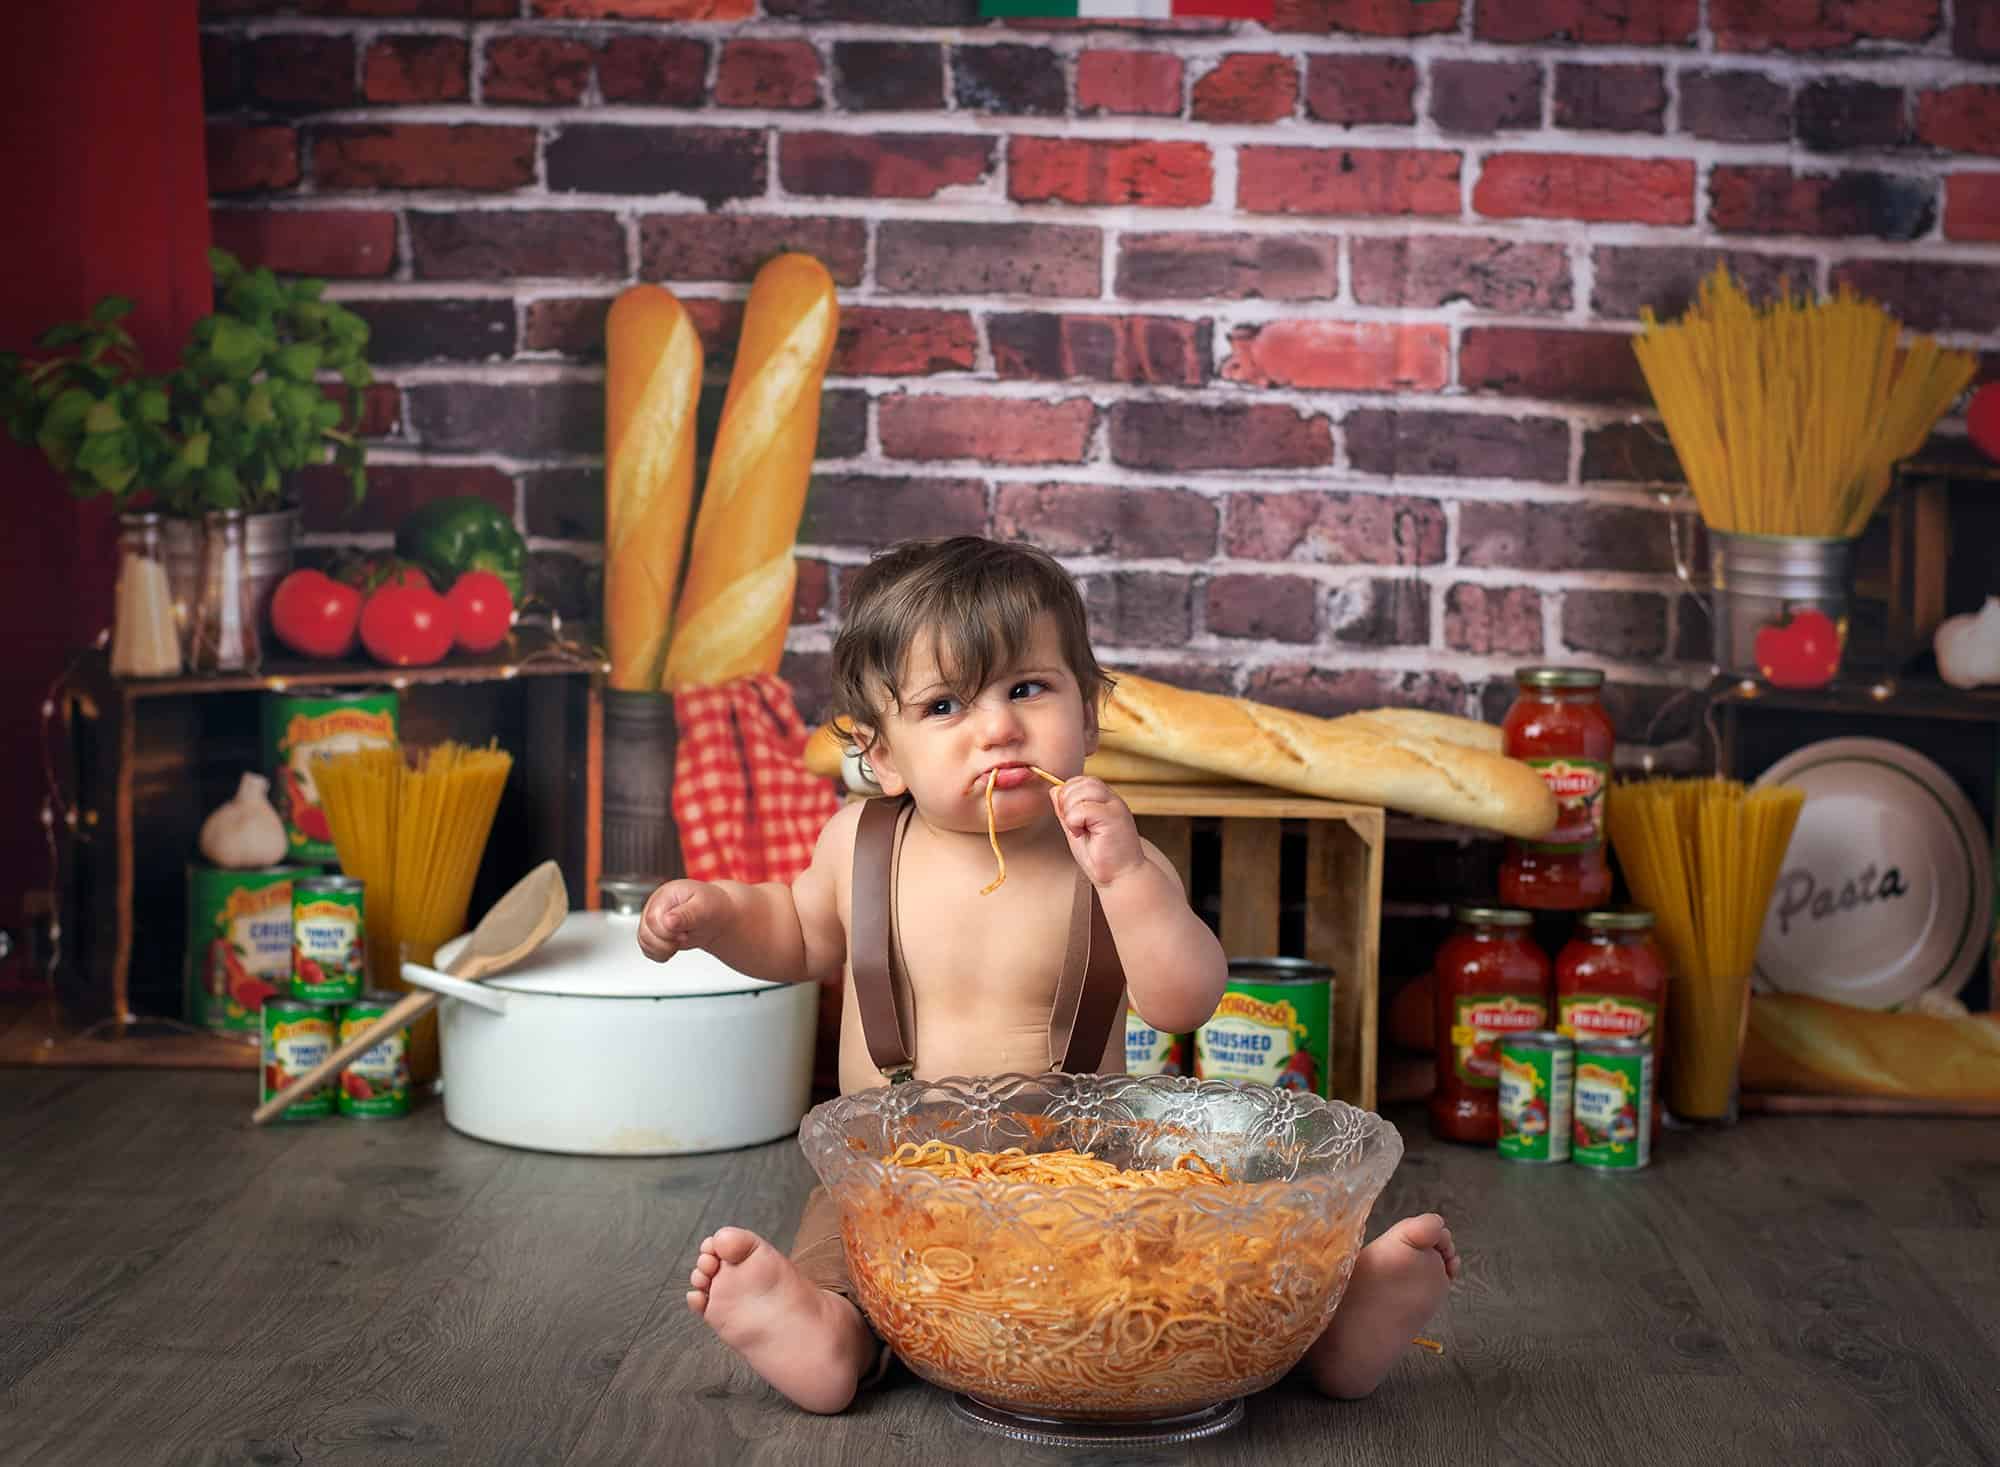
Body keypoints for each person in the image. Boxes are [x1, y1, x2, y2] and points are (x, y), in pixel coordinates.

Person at [641, 536, 1460, 1415]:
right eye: (945, 704)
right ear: (881, 755)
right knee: (840, 1240)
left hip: (1077, 1188)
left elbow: (1184, 998)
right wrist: (718, 916)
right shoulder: (859, 842)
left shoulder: (1112, 856)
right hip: (895, 1184)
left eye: (1027, 688)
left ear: (1090, 715)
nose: (999, 727)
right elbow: (797, 932)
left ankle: (1325, 1330)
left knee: (1180, 1276)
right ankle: (830, 1332)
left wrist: (1129, 886)